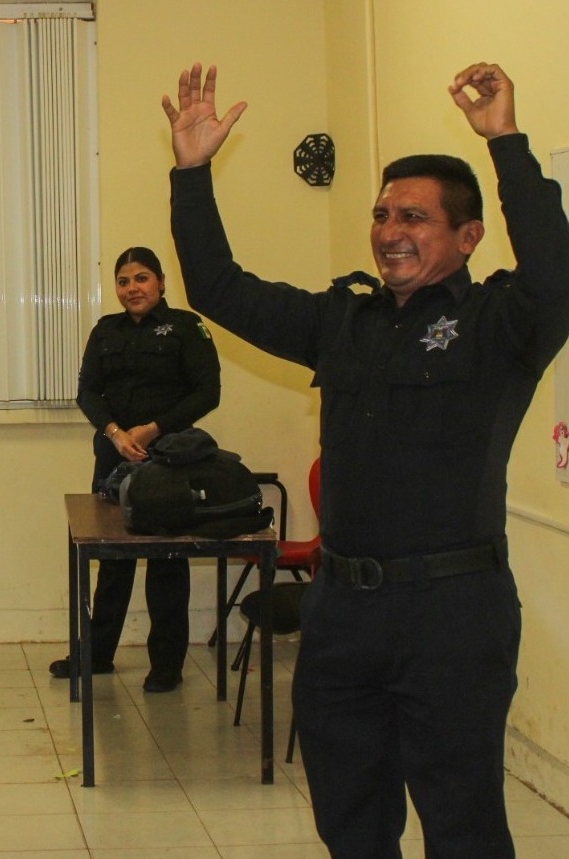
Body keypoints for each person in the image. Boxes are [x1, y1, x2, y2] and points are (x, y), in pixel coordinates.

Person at [163, 61, 569, 858]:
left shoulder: (500, 325)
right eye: (382, 214)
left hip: (453, 613)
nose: (389, 232)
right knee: (349, 818)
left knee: (463, 824)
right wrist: (191, 173)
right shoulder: (340, 320)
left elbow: (556, 273)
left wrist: (507, 144)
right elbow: (219, 287)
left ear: (468, 236)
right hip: (344, 612)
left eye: (414, 217)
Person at [47, 246, 220, 693]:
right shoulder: (106, 330)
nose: (132, 288)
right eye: (124, 281)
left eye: (141, 278)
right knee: (110, 560)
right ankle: (97, 656)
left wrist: (151, 430)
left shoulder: (186, 327)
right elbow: (88, 391)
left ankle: (166, 664)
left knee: (166, 564)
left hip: (168, 460)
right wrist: (115, 433)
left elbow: (207, 392)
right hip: (113, 457)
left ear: (161, 282)